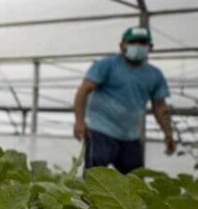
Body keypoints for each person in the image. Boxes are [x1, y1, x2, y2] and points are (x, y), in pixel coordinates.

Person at [74, 26, 176, 173]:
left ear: (150, 47)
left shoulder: (154, 75)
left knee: (134, 178)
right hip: (100, 131)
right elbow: (84, 90)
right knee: (95, 176)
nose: (138, 46)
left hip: (131, 136)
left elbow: (160, 107)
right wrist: (79, 121)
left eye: (142, 43)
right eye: (133, 42)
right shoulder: (106, 65)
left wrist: (168, 134)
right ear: (122, 45)